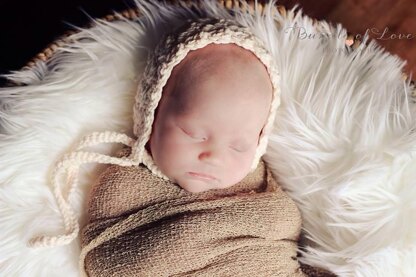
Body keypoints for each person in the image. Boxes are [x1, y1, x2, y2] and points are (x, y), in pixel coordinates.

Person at [30, 18, 305, 276]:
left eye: (238, 146)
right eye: (193, 133)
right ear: (153, 112)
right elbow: (109, 259)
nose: (213, 156)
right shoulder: (124, 184)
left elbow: (281, 223)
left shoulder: (258, 184)